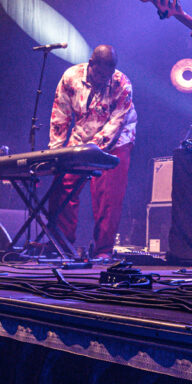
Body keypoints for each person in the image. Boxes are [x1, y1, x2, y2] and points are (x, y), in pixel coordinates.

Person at [46, 45, 137, 258]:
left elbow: (116, 123)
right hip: (82, 136)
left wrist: (92, 151)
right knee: (64, 185)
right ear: (90, 64)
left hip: (116, 140)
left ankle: (103, 250)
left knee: (108, 196)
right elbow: (60, 114)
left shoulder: (122, 84)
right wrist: (57, 153)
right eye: (99, 73)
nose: (103, 79)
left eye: (108, 74)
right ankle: (63, 243)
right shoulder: (70, 78)